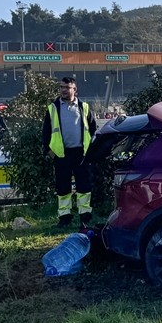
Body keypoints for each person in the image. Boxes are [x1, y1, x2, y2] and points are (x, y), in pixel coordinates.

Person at [41, 76, 98, 227]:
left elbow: (93, 129)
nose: (63, 90)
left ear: (75, 90)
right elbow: (46, 132)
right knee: (62, 187)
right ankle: (64, 217)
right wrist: (48, 151)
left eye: (67, 88)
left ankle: (85, 216)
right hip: (61, 154)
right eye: (61, 87)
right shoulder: (53, 108)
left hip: (81, 153)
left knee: (84, 185)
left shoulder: (84, 107)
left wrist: (91, 150)